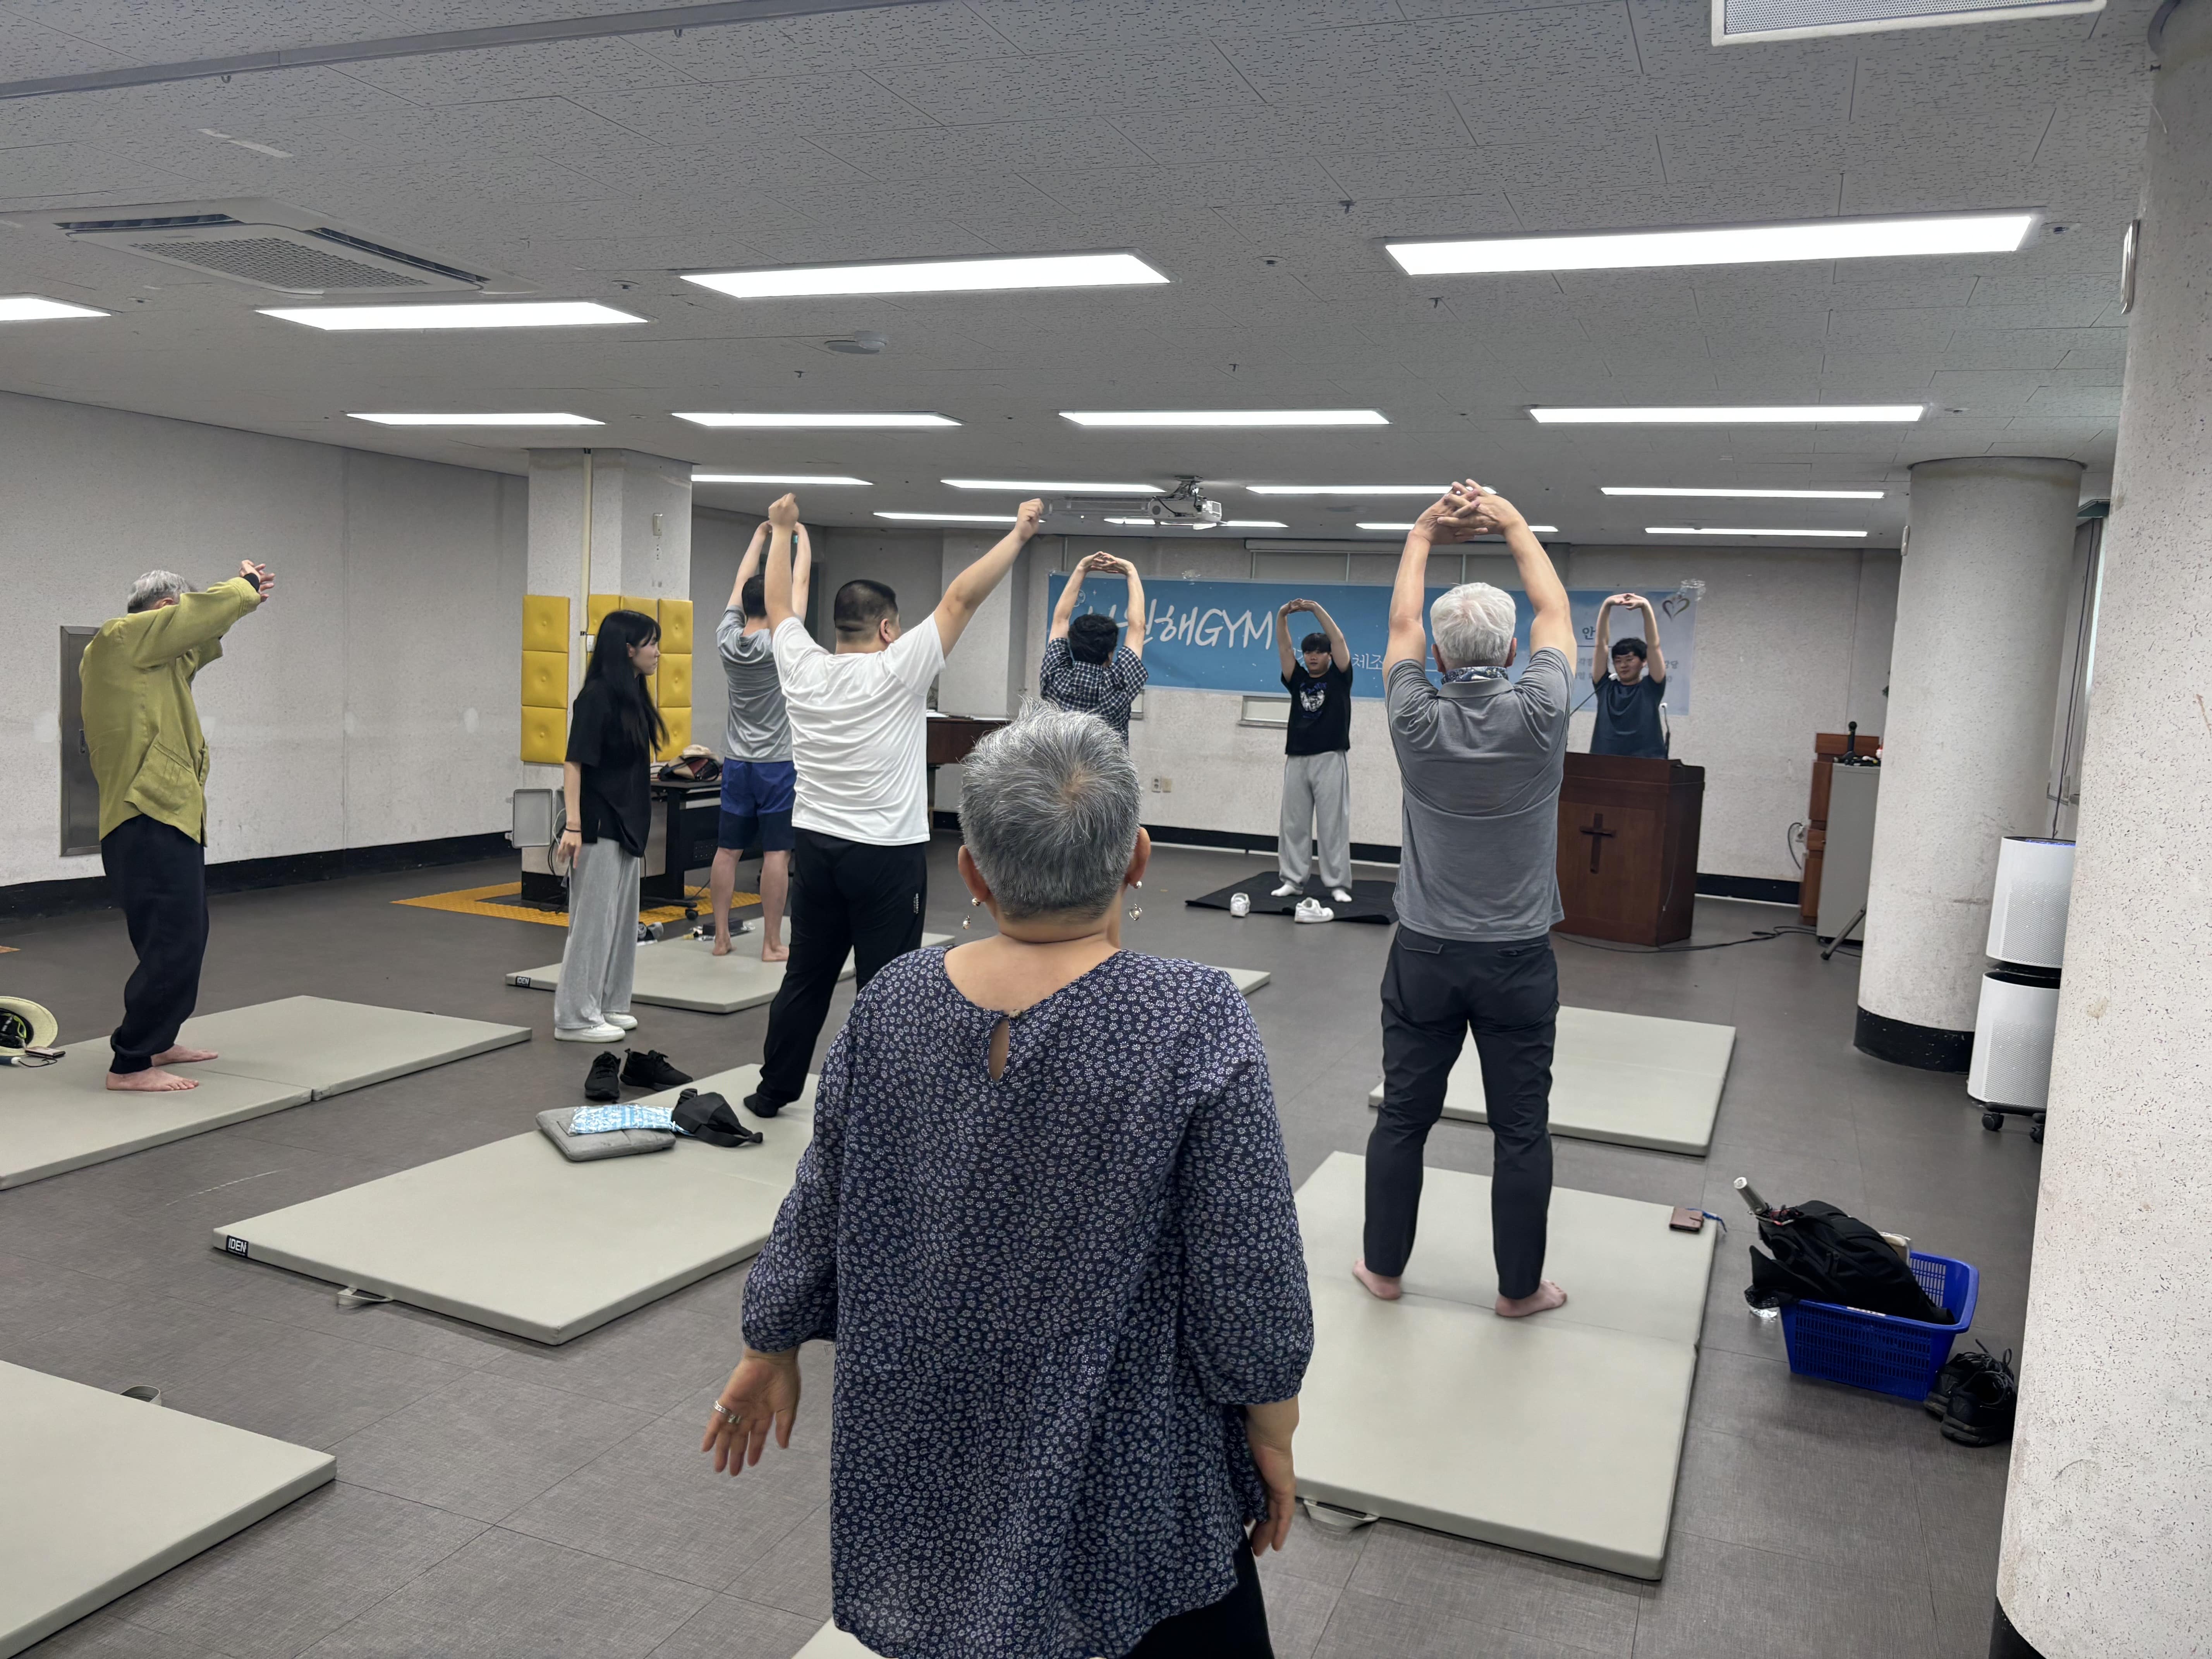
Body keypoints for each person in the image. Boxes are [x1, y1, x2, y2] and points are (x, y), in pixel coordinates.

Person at [704, 709, 1311, 1659]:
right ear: (1138, 858)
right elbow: (1249, 1261)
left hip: (926, 1454)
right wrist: (1272, 1424)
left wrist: (770, 1337)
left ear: (974, 872)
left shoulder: (896, 997)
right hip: (1127, 1468)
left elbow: (821, 1191)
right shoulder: (1193, 1019)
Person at [747, 490, 1046, 1116]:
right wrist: (1018, 535)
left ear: (836, 627)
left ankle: (773, 1090)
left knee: (806, 975)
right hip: (884, 855)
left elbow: (776, 604)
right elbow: (960, 598)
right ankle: (882, 1105)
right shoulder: (897, 669)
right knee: (887, 987)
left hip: (816, 848)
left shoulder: (800, 665)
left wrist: (781, 533)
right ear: (888, 628)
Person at [1358, 480, 1576, 1320]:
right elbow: (1554, 608)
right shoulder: (1544, 709)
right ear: (1515, 651)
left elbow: (1402, 628)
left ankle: (1383, 1270)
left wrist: (1422, 531)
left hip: (1425, 955)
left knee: (1404, 1118)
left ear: (1443, 662)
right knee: (1521, 1130)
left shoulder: (1414, 716)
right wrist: (1513, 520)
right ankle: (1519, 1292)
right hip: (1519, 959)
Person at [79, 563, 272, 1092]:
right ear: (164, 610)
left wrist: (238, 607)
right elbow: (192, 623)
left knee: (175, 936)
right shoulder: (120, 639)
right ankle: (131, 1064)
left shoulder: (154, 662)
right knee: (176, 939)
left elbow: (199, 638)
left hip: (163, 814)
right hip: (146, 815)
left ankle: (159, 1038)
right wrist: (241, 591)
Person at [553, 609, 663, 1042]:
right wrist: (575, 826)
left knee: (620, 922)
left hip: (628, 822)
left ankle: (608, 1004)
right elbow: (574, 761)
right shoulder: (596, 696)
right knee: (593, 923)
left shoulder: (633, 694)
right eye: (651, 643)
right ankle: (574, 1018)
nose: (657, 652)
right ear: (628, 649)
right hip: (598, 824)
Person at [709, 517, 813, 959]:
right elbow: (801, 580)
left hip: (736, 762)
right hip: (777, 764)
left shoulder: (727, 639)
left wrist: (759, 537)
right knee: (777, 854)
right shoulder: (782, 642)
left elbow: (739, 581)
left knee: (727, 850)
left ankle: (720, 938)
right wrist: (798, 538)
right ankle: (772, 943)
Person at [1273, 598, 1355, 907]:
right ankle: (1293, 881)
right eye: (1308, 652)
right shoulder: (1299, 679)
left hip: (1330, 757)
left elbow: (1340, 639)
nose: (1313, 657)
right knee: (1293, 824)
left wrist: (1317, 609)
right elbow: (1284, 648)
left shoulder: (1340, 677)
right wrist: (1283, 616)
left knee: (1333, 824)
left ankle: (1337, 884)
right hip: (1297, 757)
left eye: (1319, 652)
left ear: (1330, 656)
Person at [1040, 550, 1148, 742]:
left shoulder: (1055, 678)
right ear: (1110, 653)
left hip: (1055, 771)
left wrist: (1081, 568)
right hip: (1106, 773)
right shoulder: (1119, 684)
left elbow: (1060, 621)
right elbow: (1138, 627)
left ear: (1072, 647)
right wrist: (1131, 571)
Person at [1589, 592, 1669, 758]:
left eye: (1630, 659)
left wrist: (1646, 608)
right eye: (1618, 661)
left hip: (1647, 763)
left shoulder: (1651, 688)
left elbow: (1654, 646)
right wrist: (1606, 606)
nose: (1623, 665)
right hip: (1603, 764)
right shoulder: (1605, 687)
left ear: (1644, 661)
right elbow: (1601, 645)